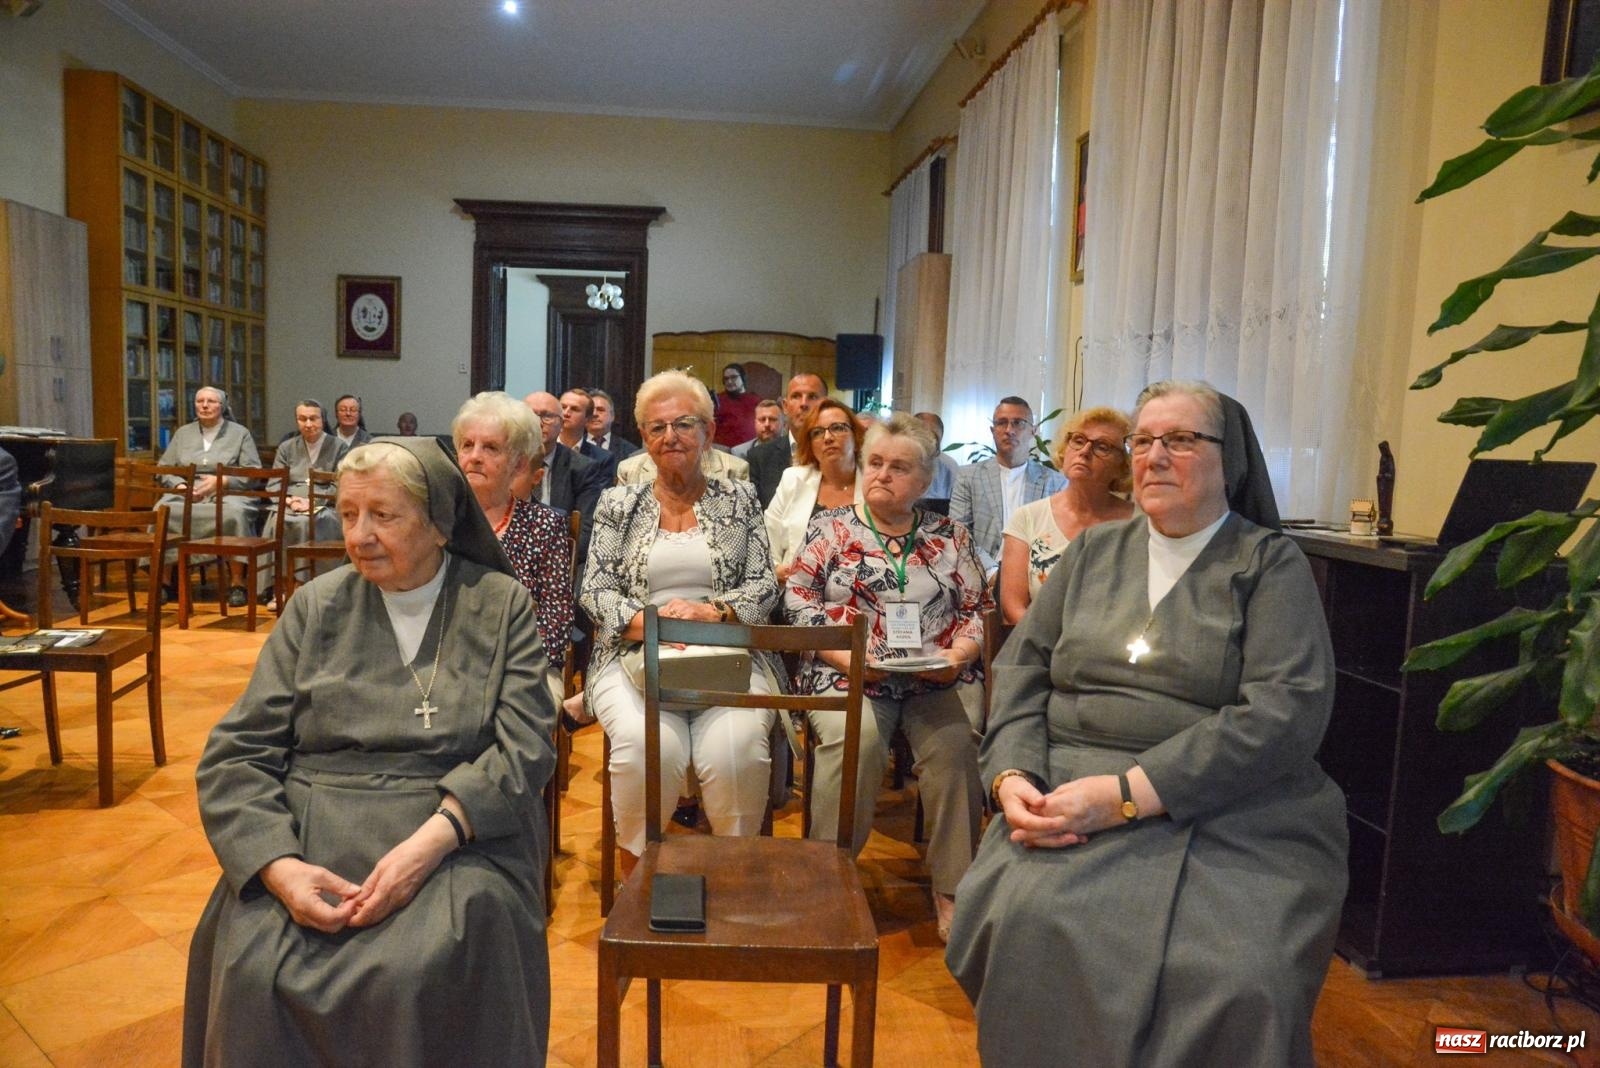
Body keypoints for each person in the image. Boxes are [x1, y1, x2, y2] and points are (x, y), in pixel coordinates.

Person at [945, 381, 1346, 1067]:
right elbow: (1022, 670)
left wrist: (1129, 793)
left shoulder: (1270, 565)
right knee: (1027, 923)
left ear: (1231, 460)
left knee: (1243, 976)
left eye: (1181, 440)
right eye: (1145, 441)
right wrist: (1011, 773)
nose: (1155, 456)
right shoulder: (1094, 554)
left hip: (1233, 808)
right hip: (1064, 793)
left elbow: (1285, 712)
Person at [182, 437, 556, 1066]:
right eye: (348, 515)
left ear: (441, 525)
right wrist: (279, 868)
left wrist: (433, 841)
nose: (358, 536)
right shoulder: (314, 605)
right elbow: (237, 753)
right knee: (253, 969)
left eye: (383, 516)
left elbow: (525, 745)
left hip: (456, 832)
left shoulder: (499, 603)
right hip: (311, 831)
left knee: (417, 968)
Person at [785, 413, 988, 943]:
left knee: (956, 749)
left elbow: (974, 609)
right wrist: (847, 658)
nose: (882, 475)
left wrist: (961, 654)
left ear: (923, 481)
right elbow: (798, 599)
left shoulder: (951, 535)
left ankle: (951, 887)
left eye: (899, 468)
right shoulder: (829, 529)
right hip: (848, 673)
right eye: (875, 463)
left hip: (932, 678)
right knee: (860, 740)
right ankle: (830, 878)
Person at [579, 370, 780, 879]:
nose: (670, 437)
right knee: (651, 747)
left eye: (684, 424)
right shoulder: (617, 504)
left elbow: (763, 586)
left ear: (709, 433)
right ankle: (638, 882)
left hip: (727, 652)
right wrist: (649, 623)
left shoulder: (738, 499)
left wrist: (713, 612)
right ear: (643, 439)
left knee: (735, 750)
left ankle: (732, 878)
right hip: (632, 656)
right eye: (656, 427)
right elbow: (595, 590)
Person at [453, 391, 574, 694]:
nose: (474, 456)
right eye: (467, 445)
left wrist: (507, 666)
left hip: (525, 667)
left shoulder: (545, 525)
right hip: (447, 665)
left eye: (491, 447)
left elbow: (556, 619)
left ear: (520, 464)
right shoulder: (439, 522)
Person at [998, 406, 1134, 625]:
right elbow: (1013, 607)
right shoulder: (1027, 517)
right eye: (1079, 440)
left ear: (1122, 465)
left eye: (1102, 446)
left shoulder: (1138, 523)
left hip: (1113, 651)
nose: (1085, 451)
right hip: (1041, 650)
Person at [156, 386, 263, 607]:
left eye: (211, 401)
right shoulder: (183, 432)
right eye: (200, 401)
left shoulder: (240, 433)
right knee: (163, 511)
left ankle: (236, 583)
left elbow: (252, 471)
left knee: (233, 513)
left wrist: (222, 481)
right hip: (187, 492)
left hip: (228, 491)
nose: (205, 406)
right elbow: (164, 468)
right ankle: (165, 583)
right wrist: (180, 484)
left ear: (222, 406)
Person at [950, 396, 1067, 579]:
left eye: (1018, 423)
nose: (1009, 430)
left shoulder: (1055, 482)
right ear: (992, 430)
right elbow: (958, 534)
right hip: (981, 576)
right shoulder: (968, 477)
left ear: (1033, 431)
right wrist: (991, 573)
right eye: (1002, 423)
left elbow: (1058, 541)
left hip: (1035, 578)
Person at [764, 398, 863, 582]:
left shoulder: (873, 485)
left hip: (861, 596)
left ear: (856, 438)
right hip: (797, 592)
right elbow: (767, 542)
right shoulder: (793, 479)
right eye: (817, 432)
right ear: (810, 444)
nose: (827, 437)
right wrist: (776, 570)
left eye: (838, 428)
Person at [260, 399, 349, 603]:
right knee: (278, 521)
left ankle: (309, 586)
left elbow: (342, 483)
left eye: (313, 418)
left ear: (323, 419)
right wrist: (291, 501)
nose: (308, 424)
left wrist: (313, 502)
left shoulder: (338, 446)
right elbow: (274, 484)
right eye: (303, 419)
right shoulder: (286, 447)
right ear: (297, 421)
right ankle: (282, 586)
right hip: (291, 503)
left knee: (314, 522)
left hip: (324, 504)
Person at [518, 390, 604, 555]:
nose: (539, 423)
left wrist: (551, 559)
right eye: (530, 416)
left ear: (562, 423)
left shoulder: (583, 468)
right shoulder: (505, 463)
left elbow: (587, 531)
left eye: (546, 416)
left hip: (559, 558)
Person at [747, 372, 827, 507]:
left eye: (812, 396)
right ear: (785, 406)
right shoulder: (760, 457)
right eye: (796, 396)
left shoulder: (838, 454)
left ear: (826, 404)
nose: (803, 404)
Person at [557, 388, 620, 487]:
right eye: (563, 407)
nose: (566, 413)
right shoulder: (541, 450)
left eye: (574, 409)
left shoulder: (603, 458)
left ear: (588, 418)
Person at [713, 362, 762, 449]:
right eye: (726, 379)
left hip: (750, 451)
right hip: (723, 451)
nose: (729, 381)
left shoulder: (756, 400)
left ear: (743, 378)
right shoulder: (717, 400)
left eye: (733, 377)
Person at [914, 411, 959, 507]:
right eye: (923, 435)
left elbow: (957, 504)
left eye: (934, 436)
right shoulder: (896, 459)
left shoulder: (950, 466)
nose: (929, 441)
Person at [586, 388, 639, 461]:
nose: (594, 414)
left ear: (612, 416)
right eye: (590, 410)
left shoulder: (630, 451)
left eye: (600, 410)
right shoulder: (573, 447)